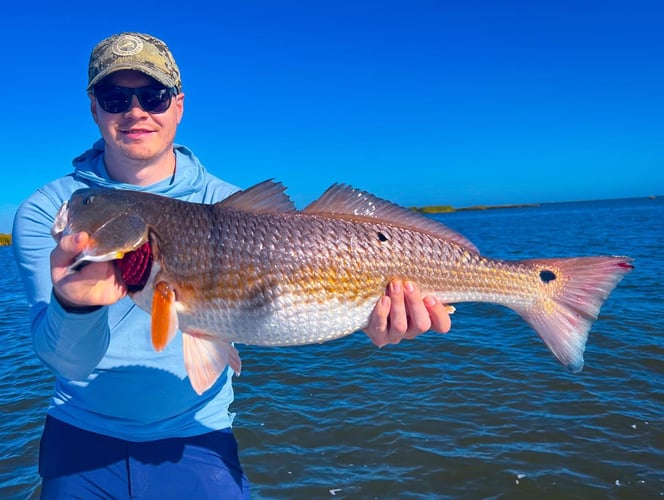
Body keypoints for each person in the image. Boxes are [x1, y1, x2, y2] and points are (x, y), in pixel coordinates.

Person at [12, 32, 452, 499]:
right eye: (115, 96)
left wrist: (368, 316)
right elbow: (66, 360)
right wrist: (75, 304)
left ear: (178, 105)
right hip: (80, 440)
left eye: (154, 95)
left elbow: (302, 295)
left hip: (197, 437)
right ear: (94, 108)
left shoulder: (233, 208)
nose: (136, 111)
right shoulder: (55, 210)